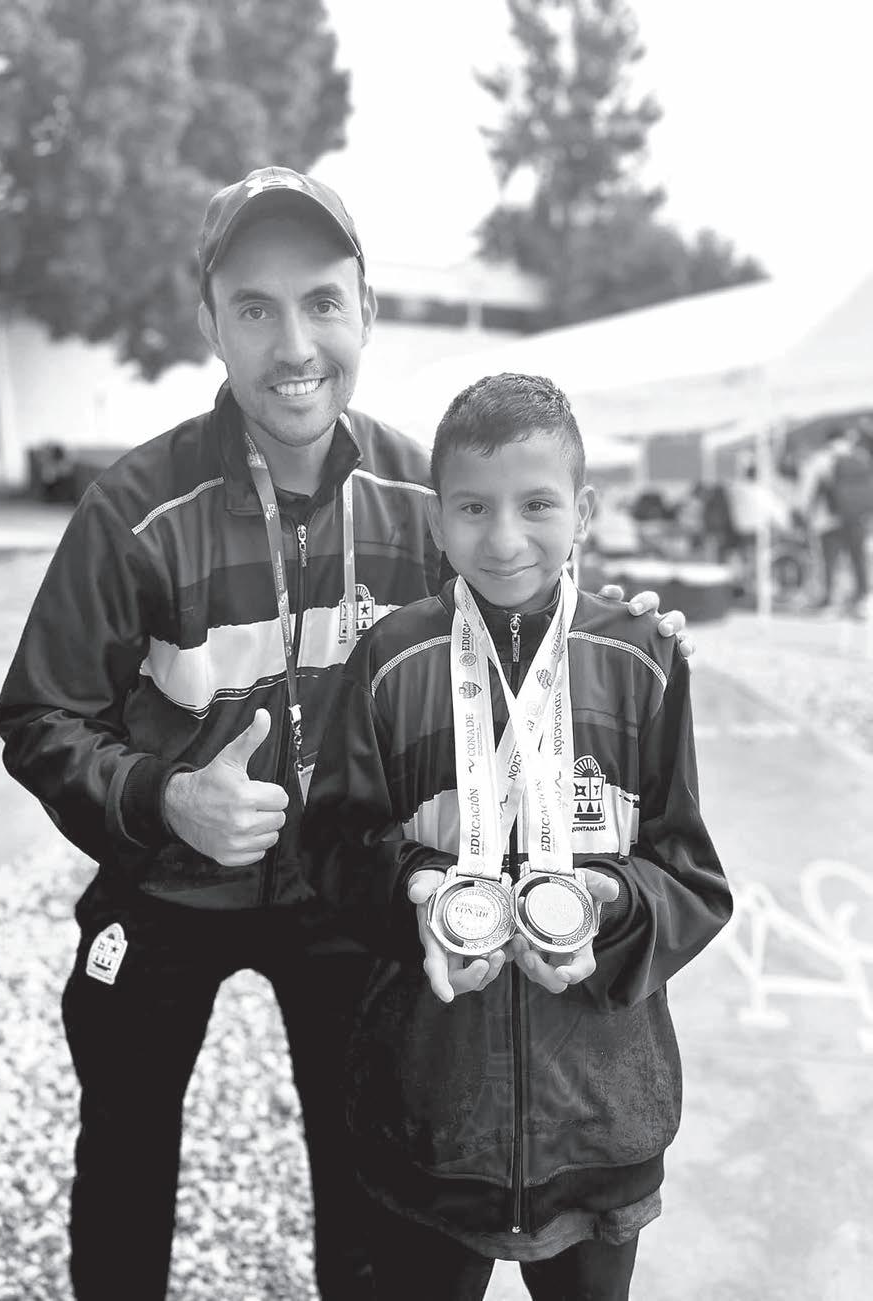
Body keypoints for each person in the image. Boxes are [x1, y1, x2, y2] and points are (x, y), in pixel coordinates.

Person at [0, 169, 694, 1301]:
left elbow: (523, 601)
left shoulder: (428, 492)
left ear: (364, 309)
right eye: (254, 308)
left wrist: (622, 629)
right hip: (164, 886)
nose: (294, 345)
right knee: (124, 1149)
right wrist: (163, 798)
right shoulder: (133, 509)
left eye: (321, 302)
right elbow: (39, 713)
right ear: (210, 321)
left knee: (366, 1164)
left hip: (349, 889)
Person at [304, 373, 731, 1301]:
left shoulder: (643, 659)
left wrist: (614, 903)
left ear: (584, 511)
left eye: (537, 504)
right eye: (473, 507)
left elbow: (693, 877)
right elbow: (331, 847)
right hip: (431, 1117)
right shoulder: (390, 661)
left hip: (601, 1126)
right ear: (436, 520)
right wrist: (415, 893)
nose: (503, 538)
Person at [800, 424, 873, 615]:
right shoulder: (860, 457)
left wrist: (804, 515)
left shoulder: (819, 460)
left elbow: (806, 492)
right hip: (857, 517)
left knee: (829, 560)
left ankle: (830, 600)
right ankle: (863, 599)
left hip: (828, 519)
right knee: (858, 559)